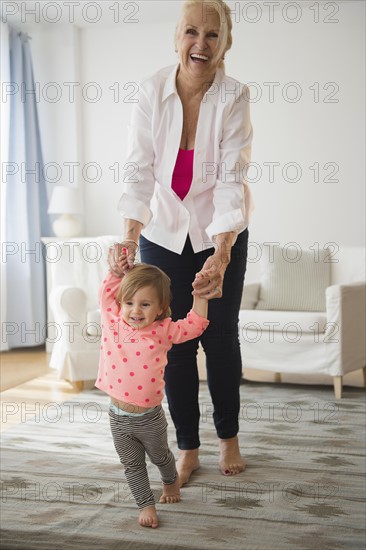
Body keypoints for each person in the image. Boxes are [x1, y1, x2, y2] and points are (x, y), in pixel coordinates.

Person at [115, 0, 254, 486]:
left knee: (218, 338)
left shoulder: (234, 95)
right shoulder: (151, 91)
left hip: (220, 232)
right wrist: (129, 237)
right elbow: (138, 169)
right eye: (191, 32)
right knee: (170, 344)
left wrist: (221, 251)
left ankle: (228, 438)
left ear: (225, 43)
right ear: (177, 36)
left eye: (212, 35)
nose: (201, 43)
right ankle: (187, 447)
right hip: (163, 234)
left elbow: (231, 180)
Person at [95, 247, 209, 528]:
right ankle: (145, 504)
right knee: (132, 465)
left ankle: (170, 483)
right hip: (117, 417)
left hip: (149, 418)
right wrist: (117, 269)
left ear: (159, 308)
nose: (135, 311)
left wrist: (200, 296)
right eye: (129, 302)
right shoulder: (113, 323)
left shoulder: (163, 330)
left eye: (145, 305)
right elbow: (106, 294)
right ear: (120, 303)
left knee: (161, 457)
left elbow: (194, 326)